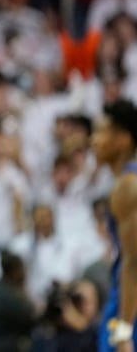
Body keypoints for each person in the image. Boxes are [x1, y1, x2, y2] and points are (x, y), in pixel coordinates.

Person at [91, 99, 137, 352]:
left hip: (130, 303)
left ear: (122, 140)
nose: (93, 140)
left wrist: (123, 332)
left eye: (101, 132)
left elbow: (134, 265)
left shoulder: (127, 186)